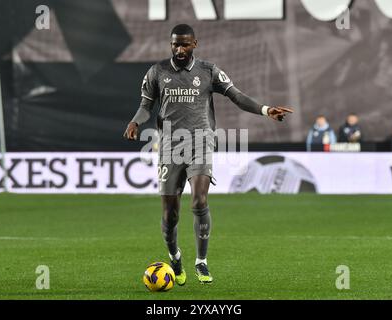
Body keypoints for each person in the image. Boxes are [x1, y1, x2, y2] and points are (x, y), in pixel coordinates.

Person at [123, 24, 293, 285]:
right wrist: (136, 121)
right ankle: (174, 256)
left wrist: (265, 109)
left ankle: (201, 261)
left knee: (199, 201)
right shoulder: (157, 72)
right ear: (171, 45)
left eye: (185, 44)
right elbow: (146, 105)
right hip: (170, 147)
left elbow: (236, 96)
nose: (179, 49)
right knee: (170, 214)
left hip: (201, 143)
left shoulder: (209, 71)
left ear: (195, 44)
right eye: (175, 44)